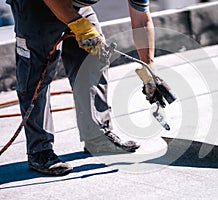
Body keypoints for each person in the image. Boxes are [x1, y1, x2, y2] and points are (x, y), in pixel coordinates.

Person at [6, 0, 157, 176]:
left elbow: (141, 21)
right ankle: (39, 150)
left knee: (95, 56)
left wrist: (149, 69)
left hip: (75, 4)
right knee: (37, 73)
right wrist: (77, 23)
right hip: (35, 5)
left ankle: (97, 137)